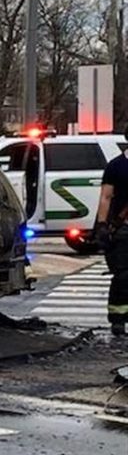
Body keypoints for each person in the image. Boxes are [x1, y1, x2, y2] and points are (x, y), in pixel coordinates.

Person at [94, 131, 128, 337]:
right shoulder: (116, 166)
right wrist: (102, 225)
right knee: (123, 276)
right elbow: (106, 197)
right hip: (123, 229)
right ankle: (118, 320)